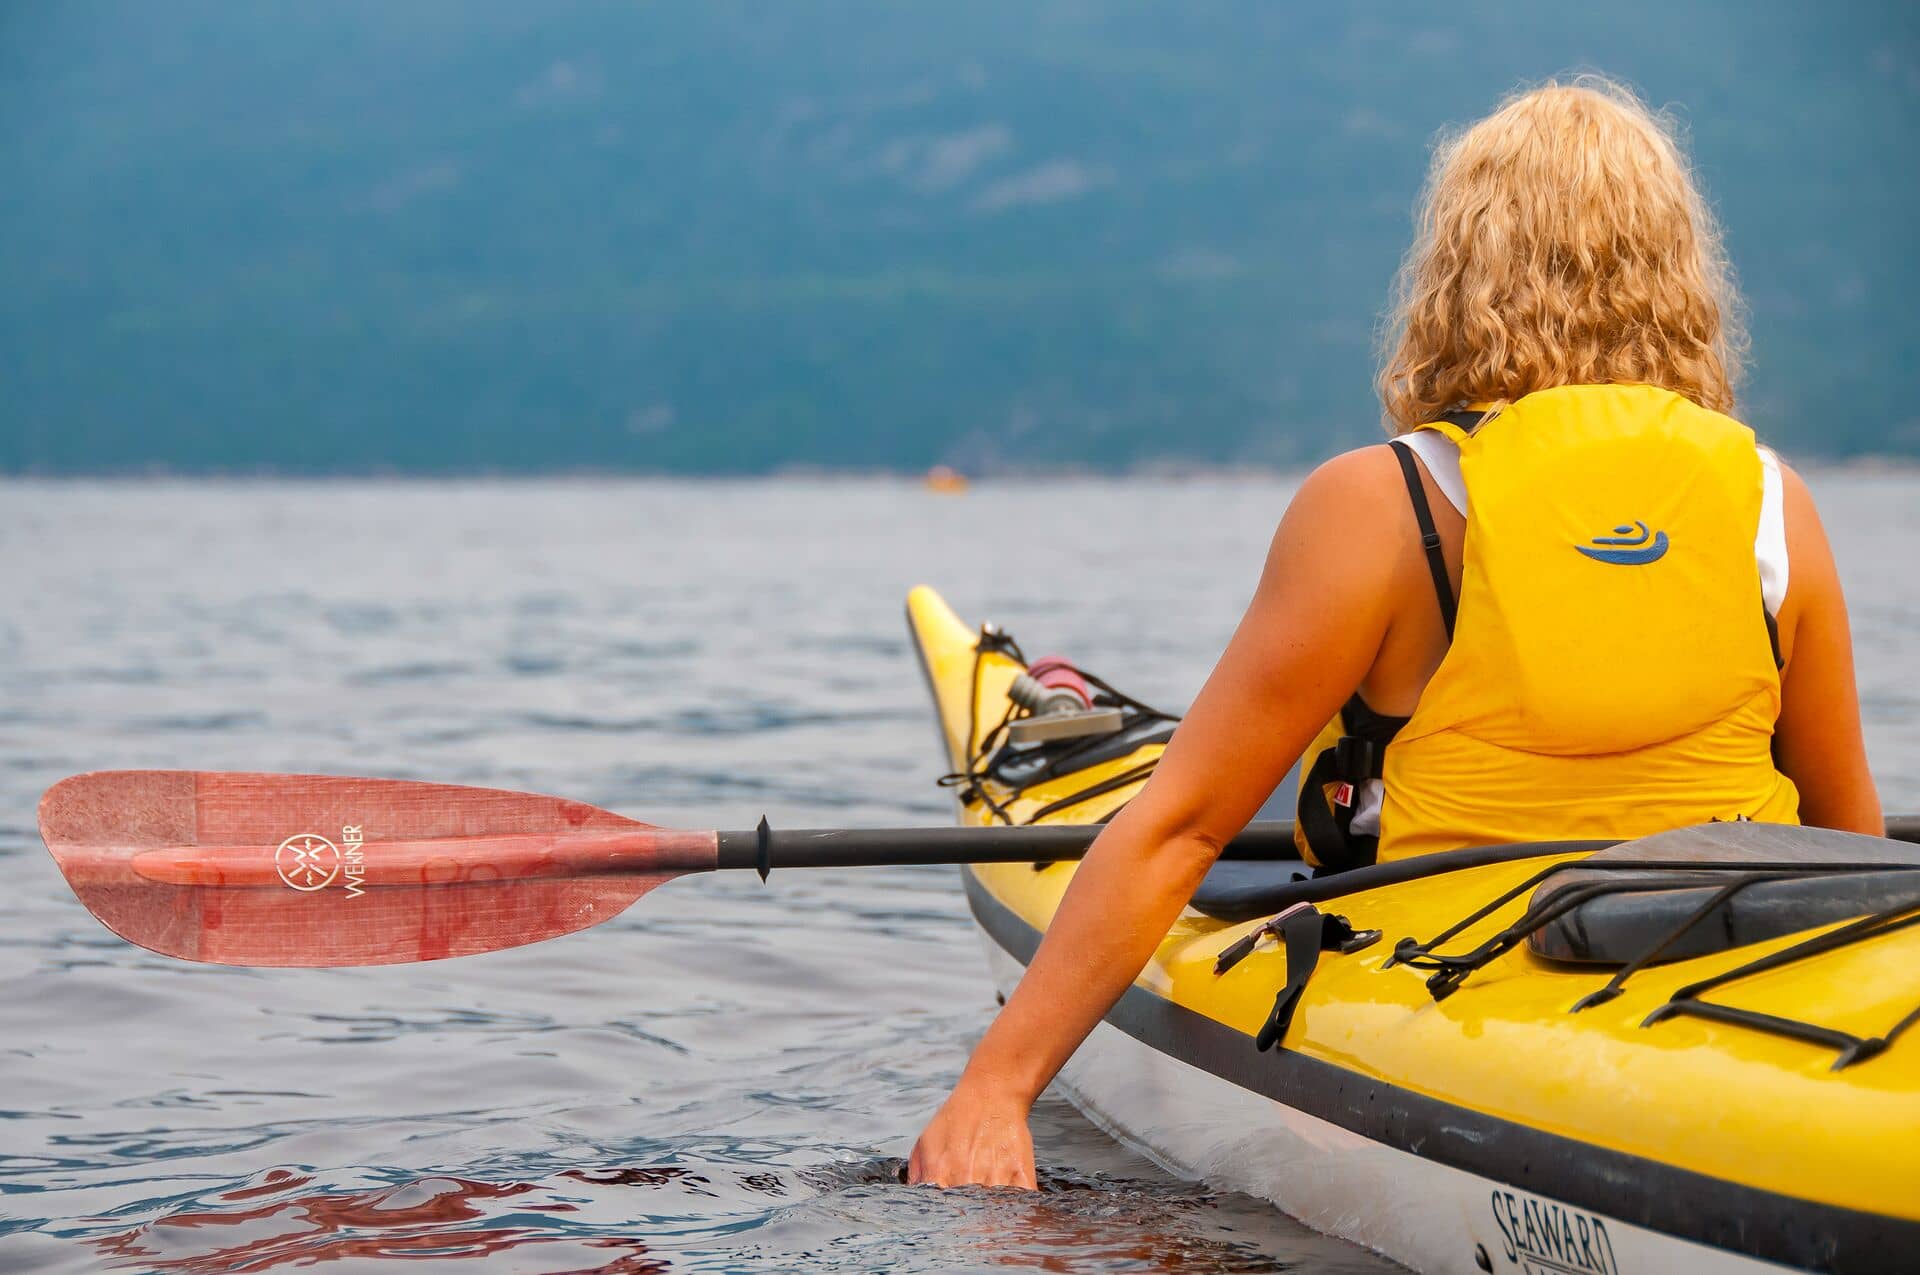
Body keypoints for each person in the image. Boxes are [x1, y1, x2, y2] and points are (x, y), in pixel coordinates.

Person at [907, 77, 1883, 1189]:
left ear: (1460, 272)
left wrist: (996, 1089)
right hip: (1761, 968)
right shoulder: (1771, 502)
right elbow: (1846, 842)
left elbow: (1180, 829)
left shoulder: (1389, 506)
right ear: (1680, 278)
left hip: (1472, 975)